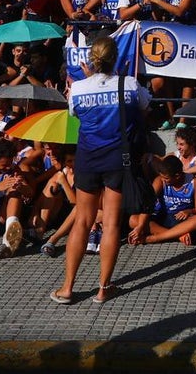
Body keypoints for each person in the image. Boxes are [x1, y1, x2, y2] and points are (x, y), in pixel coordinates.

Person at [50, 36, 149, 305]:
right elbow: (144, 104)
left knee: (82, 220)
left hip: (88, 159)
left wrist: (88, 80)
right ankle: (104, 288)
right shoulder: (128, 83)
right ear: (116, 58)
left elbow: (75, 114)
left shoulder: (80, 87)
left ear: (92, 59)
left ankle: (68, 287)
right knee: (112, 224)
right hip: (118, 159)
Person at [130, 154, 196, 246]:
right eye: (161, 177)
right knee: (133, 220)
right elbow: (148, 203)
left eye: (166, 178)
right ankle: (177, 235)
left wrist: (189, 211)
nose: (163, 180)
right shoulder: (160, 181)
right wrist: (140, 226)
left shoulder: (193, 182)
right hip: (164, 216)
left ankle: (154, 238)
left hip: (182, 220)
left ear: (177, 176)